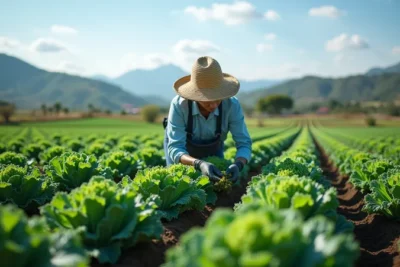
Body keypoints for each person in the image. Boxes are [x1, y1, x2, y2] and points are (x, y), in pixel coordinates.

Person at [163, 56, 252, 183]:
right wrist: (199, 164)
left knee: (216, 183)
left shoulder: (231, 105)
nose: (214, 105)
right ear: (194, 95)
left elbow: (244, 142)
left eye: (218, 98)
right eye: (207, 100)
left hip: (214, 149)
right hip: (183, 152)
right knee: (178, 183)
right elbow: (176, 148)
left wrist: (239, 164)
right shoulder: (179, 105)